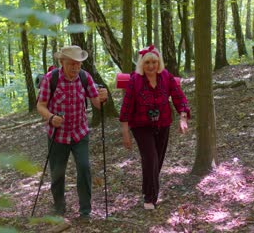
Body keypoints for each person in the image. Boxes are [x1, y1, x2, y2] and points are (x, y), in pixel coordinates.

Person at [37, 45, 108, 219]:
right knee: (57, 173)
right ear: (62, 62)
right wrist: (51, 117)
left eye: (78, 64)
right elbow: (40, 105)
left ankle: (85, 211)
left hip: (79, 133)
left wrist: (104, 98)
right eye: (71, 64)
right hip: (57, 135)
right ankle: (59, 208)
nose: (76, 68)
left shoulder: (85, 77)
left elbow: (97, 103)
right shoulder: (50, 79)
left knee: (84, 168)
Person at [119, 45, 190, 210]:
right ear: (141, 64)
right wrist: (125, 132)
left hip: (163, 123)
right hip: (141, 125)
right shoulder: (135, 80)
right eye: (147, 63)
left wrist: (183, 117)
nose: (151, 66)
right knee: (151, 158)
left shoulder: (166, 76)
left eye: (154, 62)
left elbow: (179, 96)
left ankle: (147, 189)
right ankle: (150, 198)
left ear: (159, 63)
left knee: (157, 160)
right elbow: (126, 107)